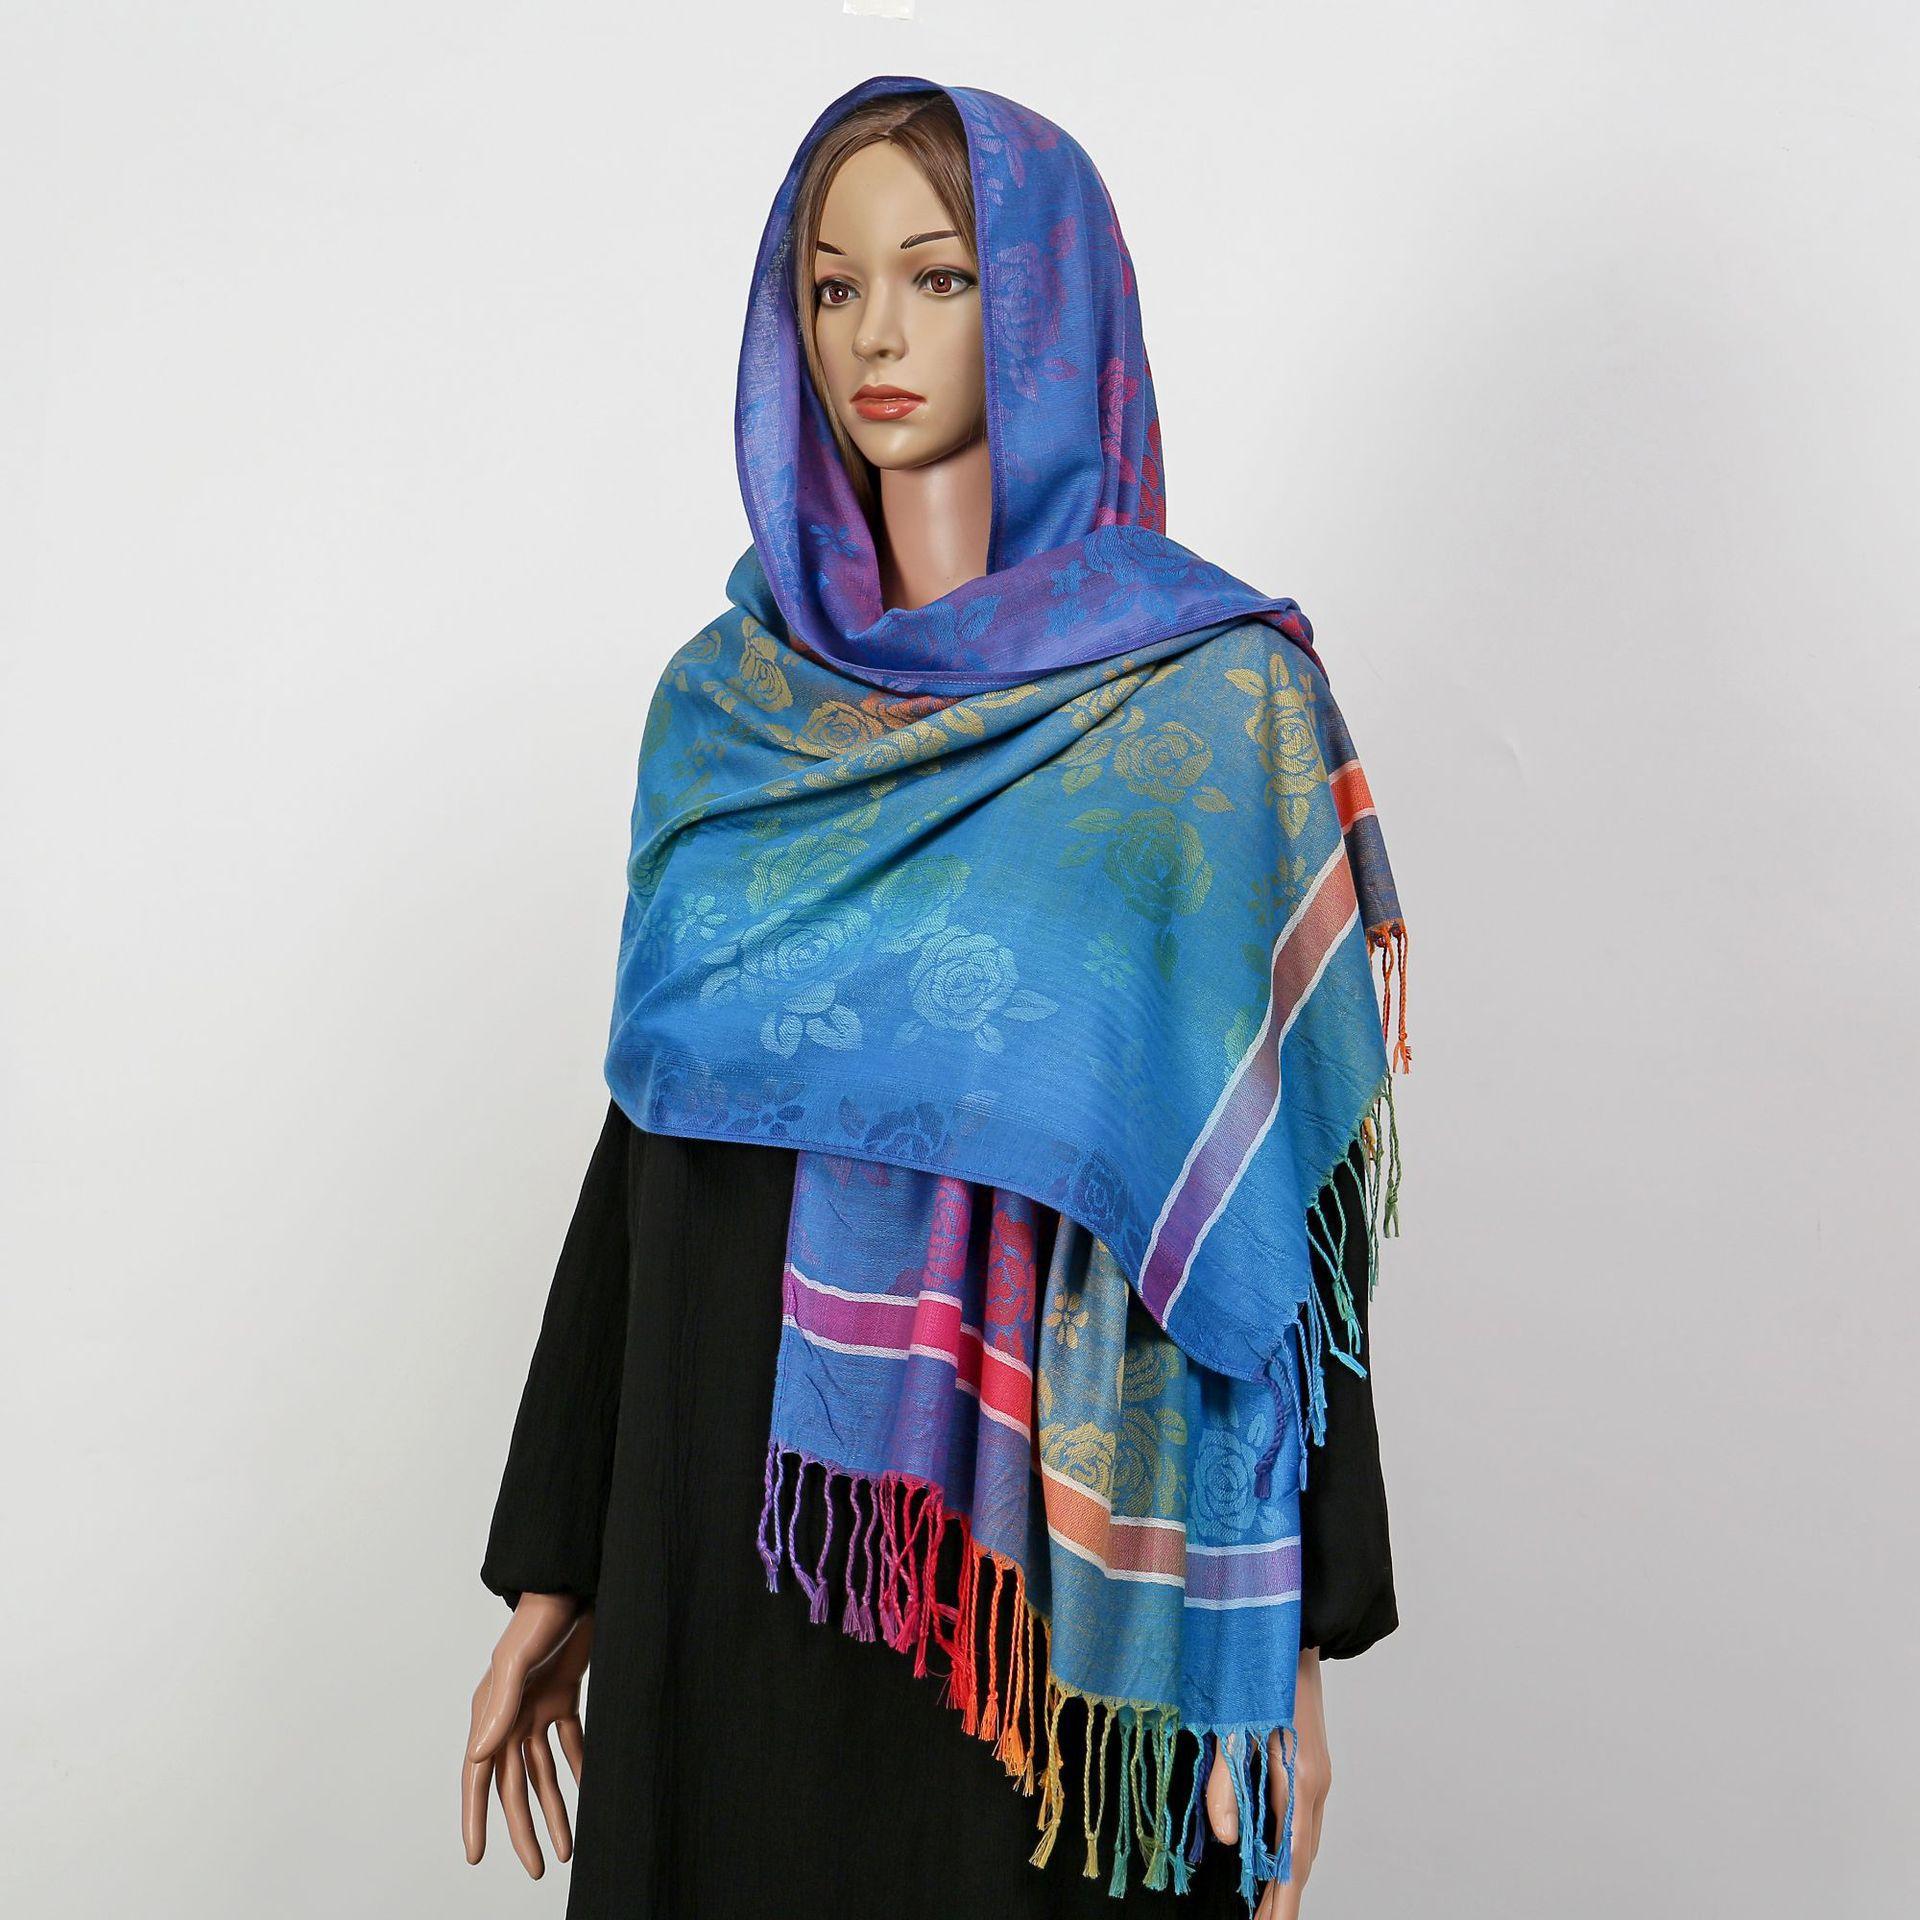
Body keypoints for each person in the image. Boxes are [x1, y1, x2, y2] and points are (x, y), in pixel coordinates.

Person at [462, 77, 1410, 1920]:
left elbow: (1270, 1194)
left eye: (941, 276)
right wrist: (556, 1566)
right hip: (729, 1534)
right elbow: (653, 1129)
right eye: (832, 287)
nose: (875, 336)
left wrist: (1287, 1651)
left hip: (1035, 1612)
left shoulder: (1209, 714)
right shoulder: (726, 711)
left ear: (1051, 304)